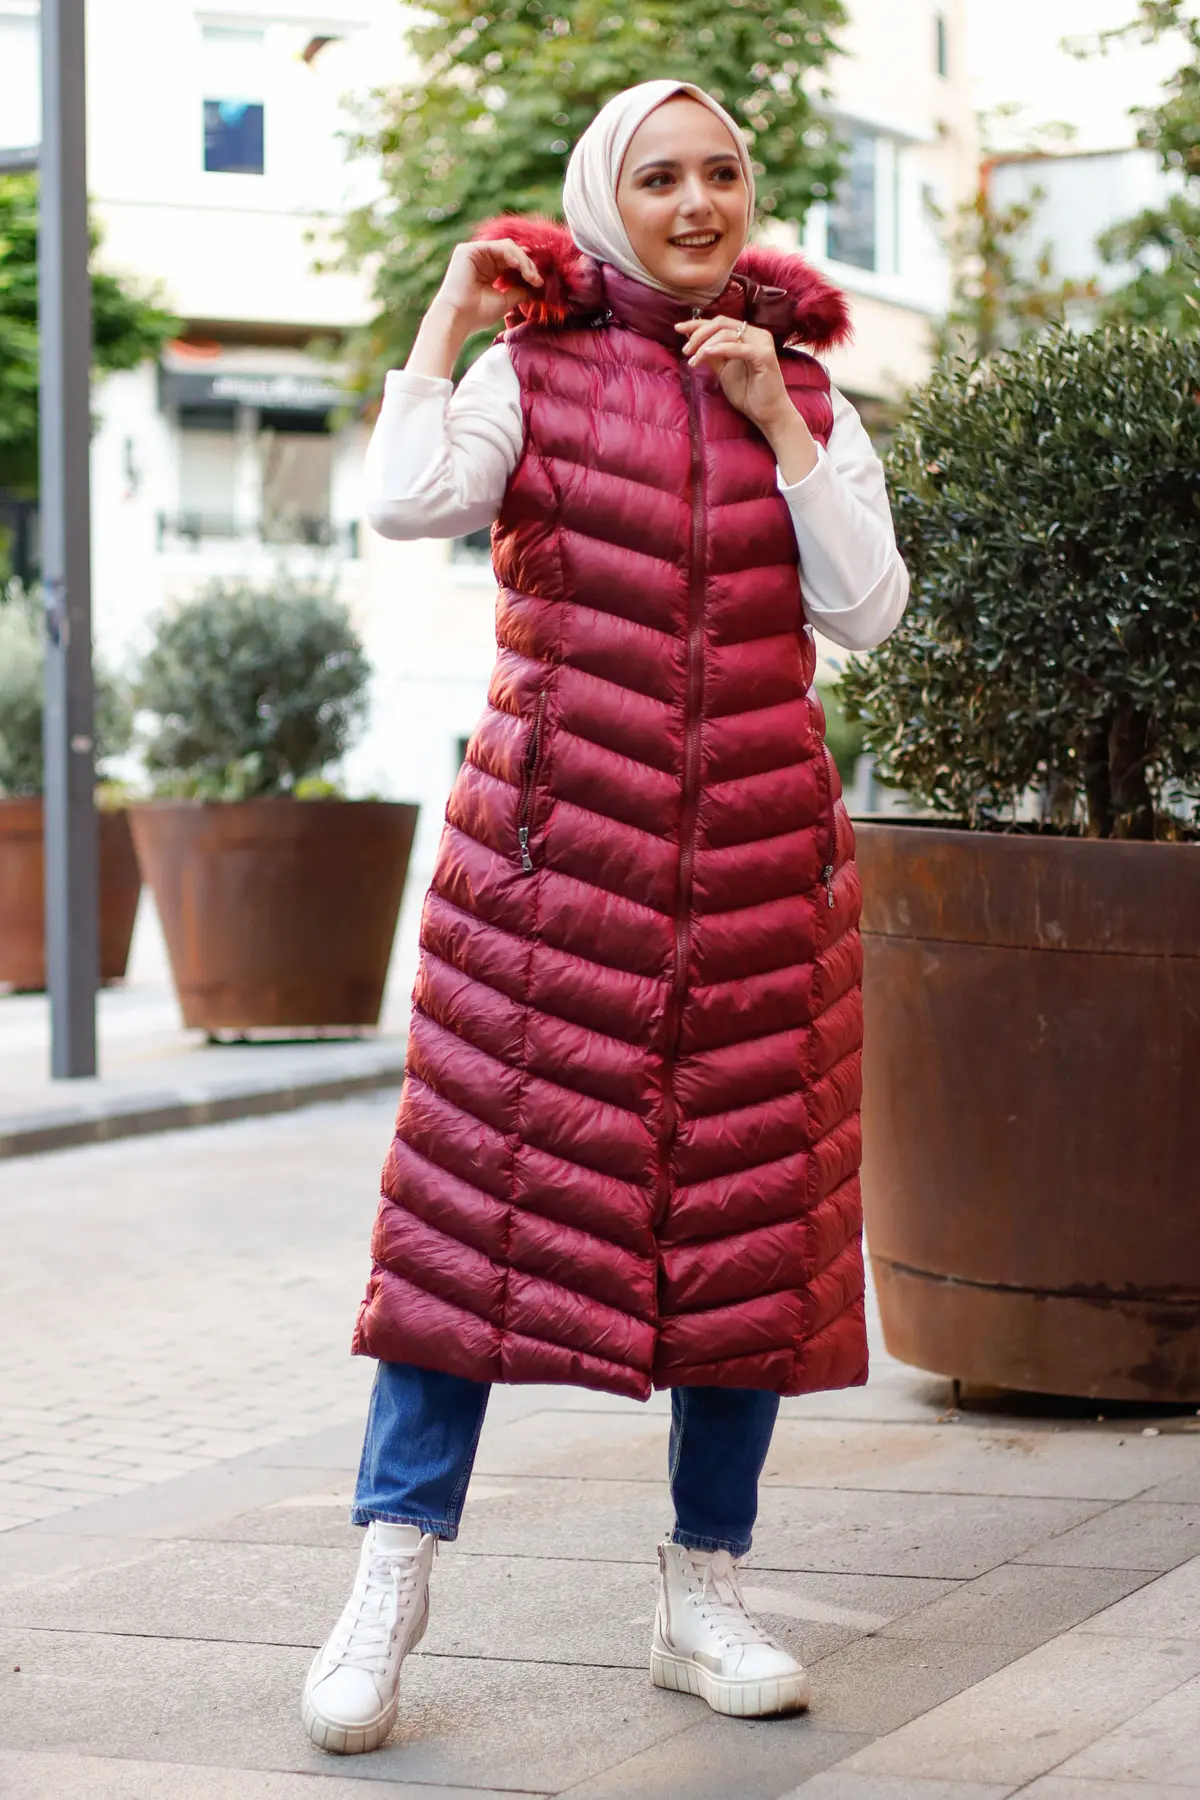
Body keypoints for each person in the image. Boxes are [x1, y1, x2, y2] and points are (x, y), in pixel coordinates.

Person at [302, 78, 908, 1755]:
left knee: (742, 1241)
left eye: (724, 174)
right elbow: (406, 498)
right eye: (661, 178)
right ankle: (389, 1583)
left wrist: (783, 427)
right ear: (605, 198)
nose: (699, 203)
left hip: (757, 882)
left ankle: (703, 1590)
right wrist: (452, 309)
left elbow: (865, 609)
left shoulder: (804, 388)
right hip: (548, 878)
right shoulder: (535, 371)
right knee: (467, 1228)